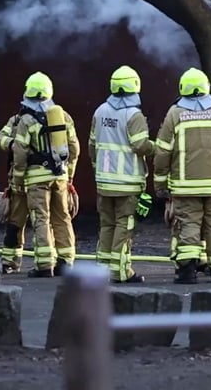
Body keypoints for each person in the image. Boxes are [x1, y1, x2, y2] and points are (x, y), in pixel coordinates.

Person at [154, 67, 211, 284]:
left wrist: (160, 182)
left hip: (185, 186)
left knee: (189, 224)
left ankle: (187, 271)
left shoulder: (175, 114)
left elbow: (162, 151)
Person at [12, 72, 81, 278]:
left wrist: (17, 179)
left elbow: (20, 151)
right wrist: (69, 177)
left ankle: (44, 266)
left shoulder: (25, 120)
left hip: (36, 179)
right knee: (62, 218)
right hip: (60, 176)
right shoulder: (64, 116)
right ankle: (66, 262)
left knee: (41, 218)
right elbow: (74, 149)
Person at [89, 65, 155, 283]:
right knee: (123, 226)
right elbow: (140, 145)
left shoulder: (99, 111)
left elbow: (92, 145)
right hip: (127, 184)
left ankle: (102, 270)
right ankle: (120, 272)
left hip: (104, 182)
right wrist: (157, 147)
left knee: (106, 225)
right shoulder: (134, 114)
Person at [0, 113, 29, 274]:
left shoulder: (55, 117)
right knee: (16, 223)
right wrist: (12, 143)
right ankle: (10, 261)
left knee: (42, 223)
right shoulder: (15, 119)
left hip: (33, 180)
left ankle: (45, 263)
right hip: (21, 180)